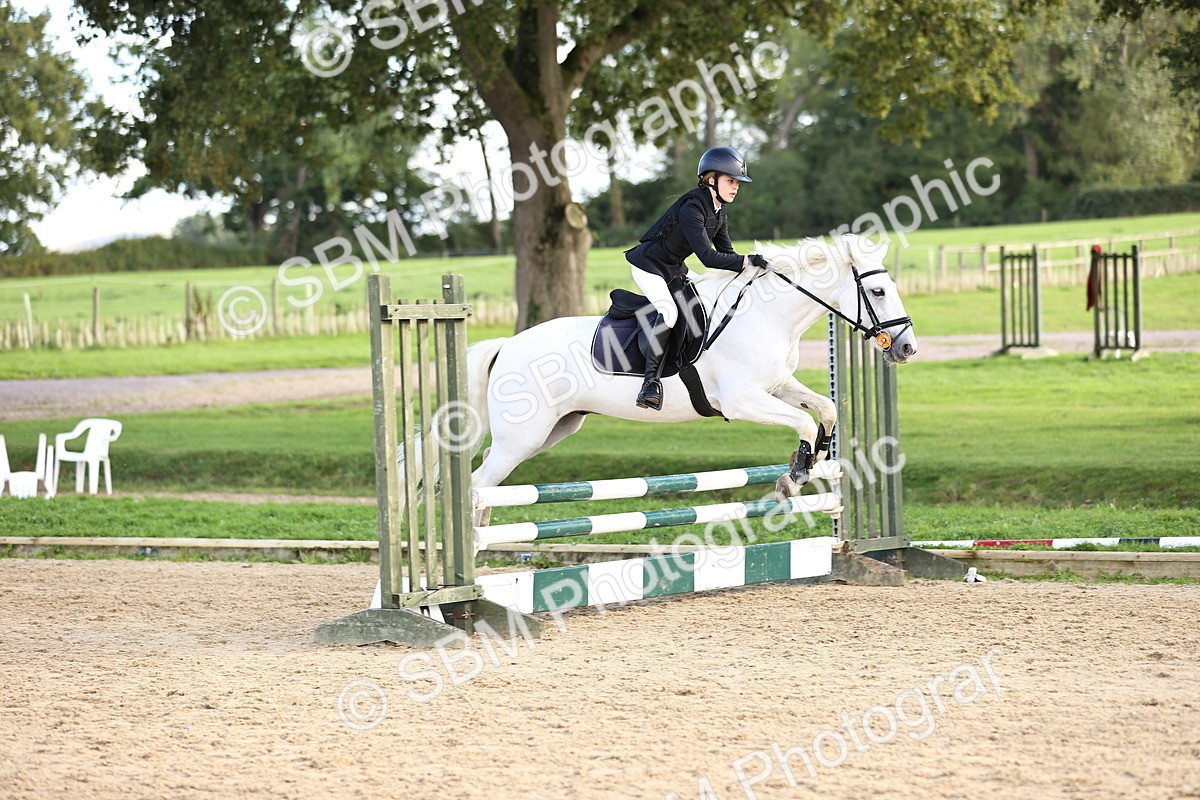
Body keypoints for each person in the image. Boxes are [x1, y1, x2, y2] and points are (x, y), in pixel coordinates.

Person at [624, 145, 768, 411]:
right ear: (711, 179)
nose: (736, 187)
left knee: (705, 297)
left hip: (674, 267)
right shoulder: (693, 207)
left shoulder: (718, 211)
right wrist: (747, 261)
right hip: (648, 266)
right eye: (731, 181)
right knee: (669, 313)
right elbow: (708, 257)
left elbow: (727, 255)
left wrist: (756, 270)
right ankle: (649, 385)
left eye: (738, 182)